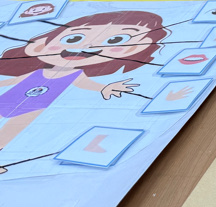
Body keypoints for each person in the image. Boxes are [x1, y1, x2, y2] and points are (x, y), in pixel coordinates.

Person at [0, 11, 168, 173]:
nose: (88, 46)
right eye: (73, 38)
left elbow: (86, 84)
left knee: (8, 134)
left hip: (35, 107)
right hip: (7, 100)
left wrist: (104, 88)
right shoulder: (37, 72)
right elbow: (11, 81)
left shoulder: (75, 74)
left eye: (116, 40)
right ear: (38, 47)